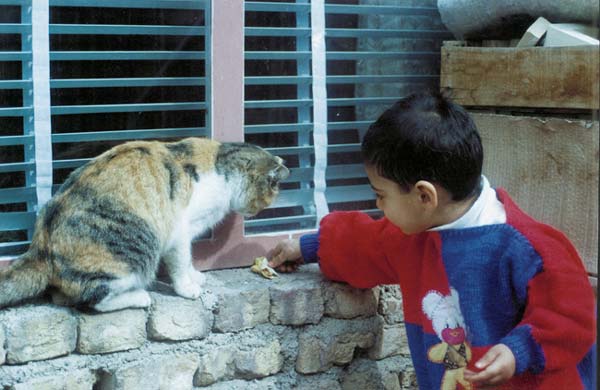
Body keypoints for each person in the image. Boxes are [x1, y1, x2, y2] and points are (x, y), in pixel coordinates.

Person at [268, 92, 596, 389]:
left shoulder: (529, 248)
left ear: (425, 196)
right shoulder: (411, 235)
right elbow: (363, 243)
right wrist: (307, 246)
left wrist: (517, 351)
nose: (378, 207)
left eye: (381, 195)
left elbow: (572, 318)